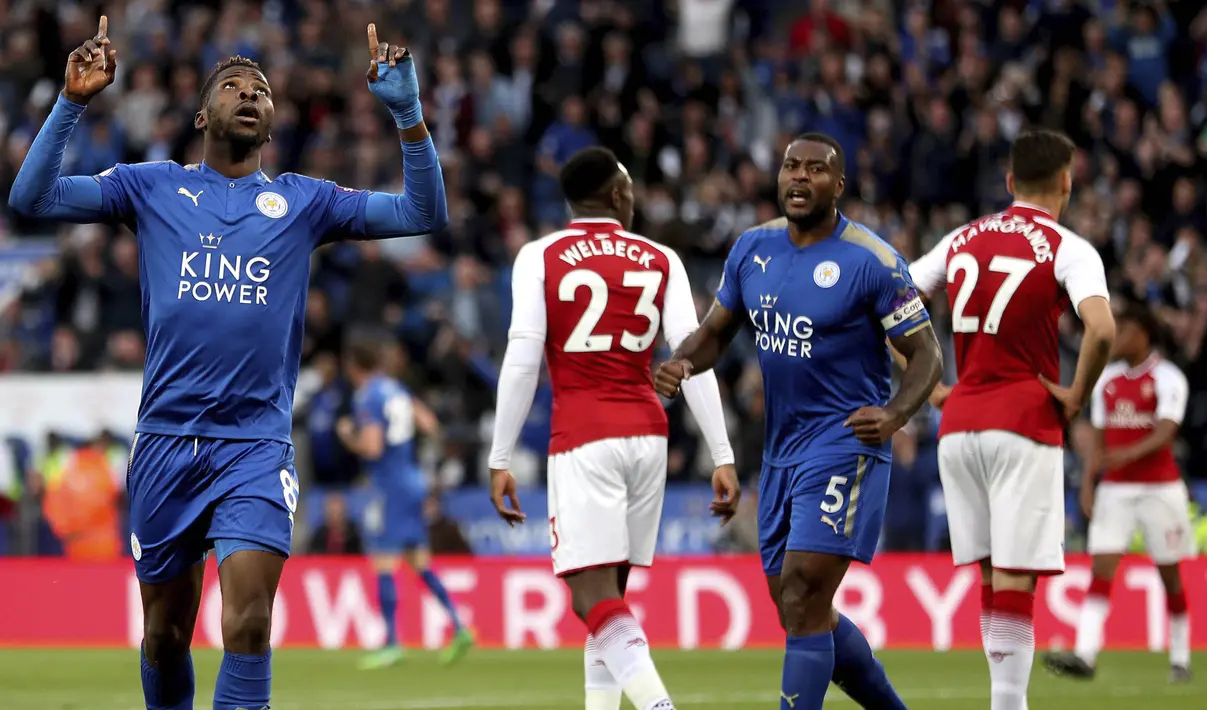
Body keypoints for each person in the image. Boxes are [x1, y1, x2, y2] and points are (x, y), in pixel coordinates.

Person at [7, 17, 447, 710]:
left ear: (271, 123)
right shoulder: (149, 187)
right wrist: (72, 102)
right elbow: (30, 198)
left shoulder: (306, 200)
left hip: (255, 446)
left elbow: (424, 212)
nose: (250, 95)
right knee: (164, 635)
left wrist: (408, 115)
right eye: (234, 87)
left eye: (262, 91)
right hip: (164, 446)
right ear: (202, 113)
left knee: (247, 622)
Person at [655, 133, 943, 710]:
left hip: (845, 443)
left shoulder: (874, 262)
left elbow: (927, 354)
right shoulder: (751, 250)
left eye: (815, 169)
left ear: (838, 186)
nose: (799, 177)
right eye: (791, 166)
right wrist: (685, 360)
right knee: (797, 608)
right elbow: (717, 332)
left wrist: (894, 416)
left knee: (806, 589)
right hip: (781, 452)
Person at [487, 146, 738, 710]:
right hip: (648, 435)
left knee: (591, 599)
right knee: (611, 597)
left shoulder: (539, 255)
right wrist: (721, 452)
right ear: (618, 195)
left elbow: (523, 357)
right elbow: (690, 357)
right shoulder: (660, 257)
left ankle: (658, 707)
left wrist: (500, 456)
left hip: (583, 435)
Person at [907, 128, 1116, 710]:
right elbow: (1102, 329)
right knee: (1018, 577)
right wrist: (1075, 395)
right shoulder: (1068, 247)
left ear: (1009, 182)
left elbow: (892, 304)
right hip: (1022, 423)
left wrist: (930, 386)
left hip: (959, 427)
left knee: (994, 578)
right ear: (1067, 182)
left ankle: (1006, 702)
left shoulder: (962, 237)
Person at [1043, 302, 1193, 682]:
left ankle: (1180, 657)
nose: (1116, 338)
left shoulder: (1168, 377)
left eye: (1123, 330)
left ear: (1143, 335)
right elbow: (1098, 436)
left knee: (1169, 574)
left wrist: (1128, 452)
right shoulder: (1106, 379)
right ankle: (1086, 654)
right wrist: (1089, 482)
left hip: (1161, 488)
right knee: (1101, 570)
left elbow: (1166, 430)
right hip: (1116, 490)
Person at [336, 334, 473, 669]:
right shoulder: (396, 389)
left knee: (383, 561)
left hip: (389, 486)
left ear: (353, 365)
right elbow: (429, 423)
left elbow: (372, 448)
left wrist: (347, 436)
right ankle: (459, 625)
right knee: (418, 561)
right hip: (413, 479)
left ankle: (393, 642)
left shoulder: (367, 396)